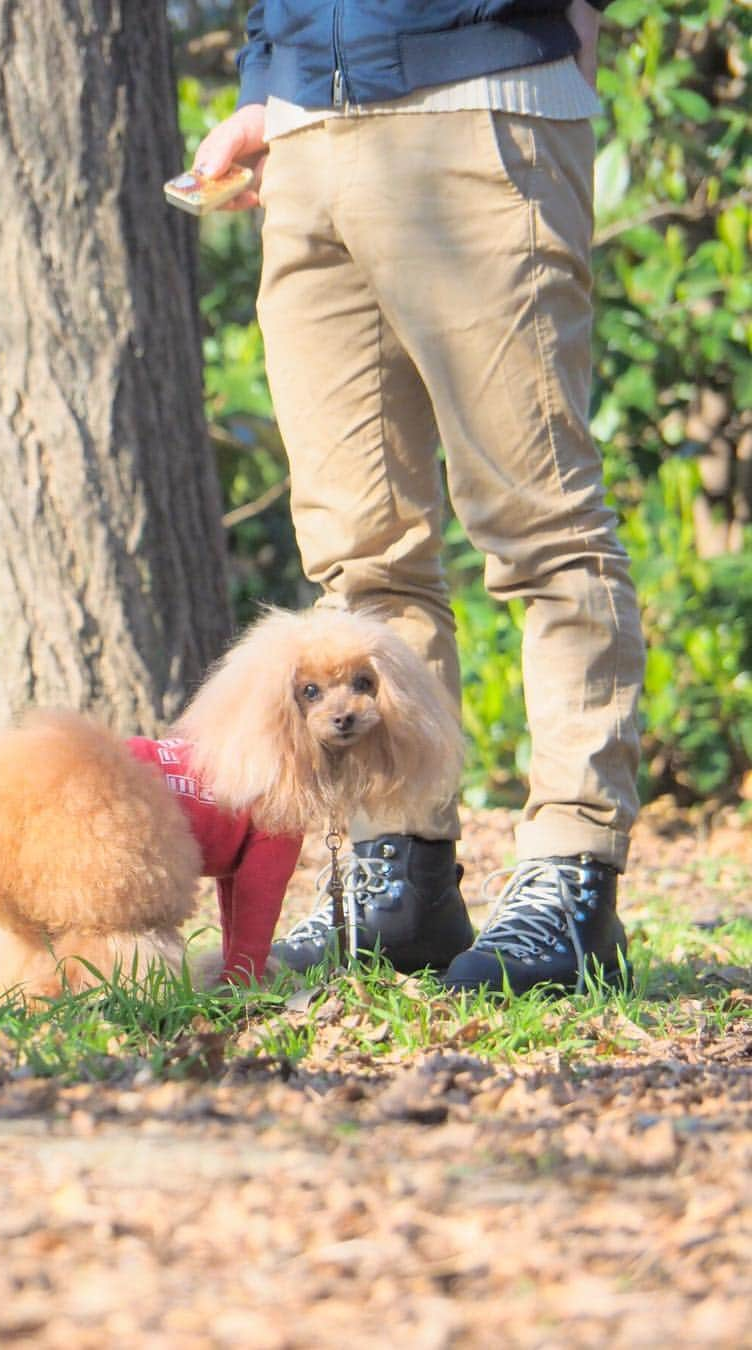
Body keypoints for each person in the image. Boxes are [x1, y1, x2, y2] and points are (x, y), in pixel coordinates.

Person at [192, 0, 645, 995]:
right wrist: (268, 82)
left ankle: (573, 870)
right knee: (360, 555)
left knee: (542, 527)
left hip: (481, 106)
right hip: (308, 132)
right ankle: (399, 875)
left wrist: (560, 53)